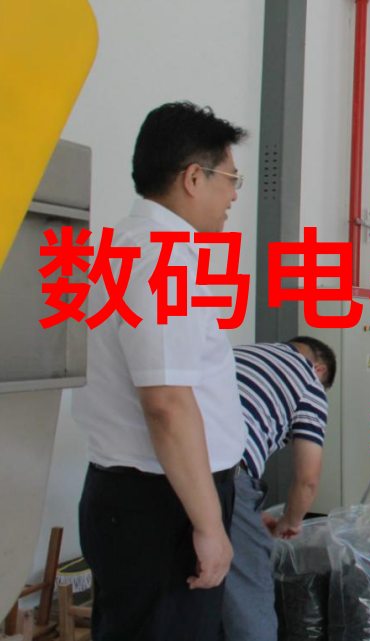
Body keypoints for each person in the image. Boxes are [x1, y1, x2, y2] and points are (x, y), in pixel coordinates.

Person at [74, 101, 248, 640]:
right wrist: (208, 526)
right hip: (164, 504)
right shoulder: (161, 260)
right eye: (231, 180)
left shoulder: (123, 248)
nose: (234, 196)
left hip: (143, 497)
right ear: (193, 178)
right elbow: (167, 404)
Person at [222, 337, 335, 641]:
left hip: (154, 470)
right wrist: (290, 521)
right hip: (223, 475)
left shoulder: (239, 352)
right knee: (250, 600)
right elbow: (308, 478)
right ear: (320, 369)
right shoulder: (309, 380)